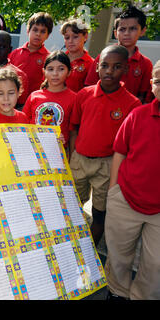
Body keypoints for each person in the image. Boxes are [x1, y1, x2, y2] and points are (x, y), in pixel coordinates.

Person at [69, 45, 142, 246]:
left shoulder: (132, 104)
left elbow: (128, 145)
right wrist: (73, 155)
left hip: (107, 165)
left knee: (99, 212)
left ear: (126, 69)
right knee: (72, 207)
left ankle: (90, 252)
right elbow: (74, 128)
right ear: (97, 68)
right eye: (105, 66)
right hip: (79, 160)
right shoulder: (83, 95)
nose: (109, 71)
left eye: (116, 66)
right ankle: (71, 246)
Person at [104, 60, 160, 300]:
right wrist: (113, 191)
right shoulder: (138, 114)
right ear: (152, 84)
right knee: (118, 255)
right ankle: (117, 291)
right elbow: (120, 151)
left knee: (155, 263)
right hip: (126, 198)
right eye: (159, 81)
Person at [84, 6, 153, 104]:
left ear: (142, 31)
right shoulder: (102, 57)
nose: (127, 33)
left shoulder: (146, 63)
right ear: (115, 33)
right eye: (122, 29)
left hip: (129, 113)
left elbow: (144, 97)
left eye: (133, 29)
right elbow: (89, 87)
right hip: (101, 108)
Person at [23, 51, 75, 151]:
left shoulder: (74, 98)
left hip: (58, 153)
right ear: (44, 71)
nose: (55, 73)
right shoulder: (35, 96)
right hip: (33, 150)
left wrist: (71, 155)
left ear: (69, 72)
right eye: (50, 69)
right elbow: (23, 123)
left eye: (61, 69)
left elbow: (73, 132)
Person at [9, 12, 53, 97]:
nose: (38, 34)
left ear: (48, 35)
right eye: (35, 30)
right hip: (12, 101)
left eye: (43, 31)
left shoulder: (49, 58)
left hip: (35, 101)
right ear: (28, 31)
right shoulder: (15, 53)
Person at [60, 19, 94, 93]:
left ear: (85, 36)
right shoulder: (57, 60)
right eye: (67, 37)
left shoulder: (91, 64)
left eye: (75, 37)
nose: (70, 41)